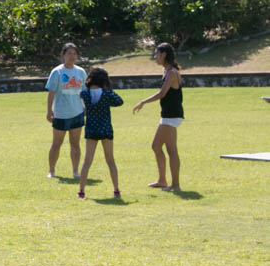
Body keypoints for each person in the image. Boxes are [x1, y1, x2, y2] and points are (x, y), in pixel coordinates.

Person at [133, 42, 184, 192]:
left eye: (157, 54)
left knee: (171, 150)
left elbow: (162, 93)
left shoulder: (172, 73)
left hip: (172, 116)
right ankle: (162, 180)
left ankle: (175, 185)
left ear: (164, 55)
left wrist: (143, 102)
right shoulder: (167, 71)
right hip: (168, 115)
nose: (155, 57)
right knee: (156, 146)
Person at [77, 67, 123, 199]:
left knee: (87, 160)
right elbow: (119, 101)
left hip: (91, 129)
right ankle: (116, 190)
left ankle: (81, 191)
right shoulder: (107, 93)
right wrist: (108, 90)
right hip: (105, 129)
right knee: (110, 160)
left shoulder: (85, 93)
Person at [45, 42, 86, 178]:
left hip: (77, 113)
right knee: (57, 143)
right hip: (61, 114)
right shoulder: (57, 72)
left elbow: (84, 92)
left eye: (74, 53)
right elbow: (51, 92)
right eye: (69, 53)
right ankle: (51, 170)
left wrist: (86, 107)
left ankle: (75, 171)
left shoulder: (80, 72)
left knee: (75, 144)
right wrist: (49, 111)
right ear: (63, 55)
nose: (72, 56)